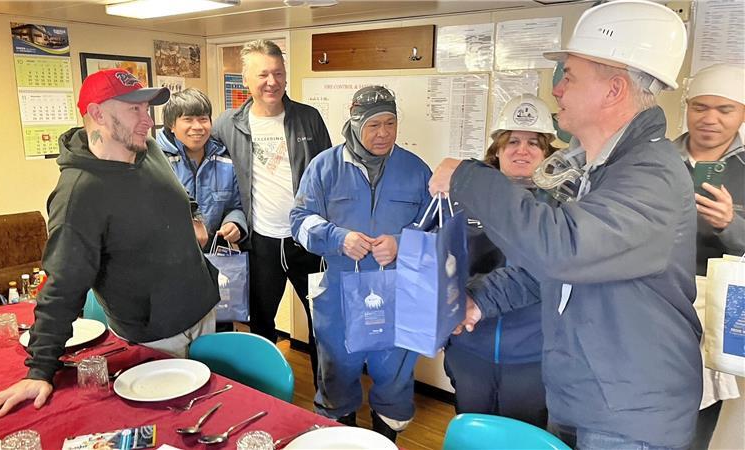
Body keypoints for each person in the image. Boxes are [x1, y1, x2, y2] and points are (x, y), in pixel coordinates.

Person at [429, 1, 703, 448]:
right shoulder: (601, 169)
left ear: (613, 90)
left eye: (569, 76)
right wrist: (480, 301)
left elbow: (563, 248)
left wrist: (466, 177)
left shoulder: (649, 173)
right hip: (583, 394)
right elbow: (552, 269)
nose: (557, 90)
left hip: (627, 416)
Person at [0, 69, 220, 418]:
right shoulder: (80, 193)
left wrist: (192, 218)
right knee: (177, 425)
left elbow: (178, 198)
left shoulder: (148, 151)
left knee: (216, 412)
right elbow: (63, 285)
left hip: (202, 311)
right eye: (134, 110)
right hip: (156, 336)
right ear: (97, 114)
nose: (147, 122)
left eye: (146, 109)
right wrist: (40, 370)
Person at [290, 86, 431, 442]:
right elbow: (299, 221)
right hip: (339, 295)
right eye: (373, 125)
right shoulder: (324, 167)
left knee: (395, 378)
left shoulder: (416, 170)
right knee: (336, 375)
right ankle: (341, 439)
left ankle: (386, 440)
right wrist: (338, 237)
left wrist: (402, 244)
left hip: (397, 295)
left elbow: (435, 229)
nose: (383, 133)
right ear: (354, 124)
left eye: (390, 123)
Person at [212, 39, 331, 385]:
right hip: (260, 242)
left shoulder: (308, 119)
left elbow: (329, 175)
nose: (272, 81)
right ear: (246, 80)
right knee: (260, 324)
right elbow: (214, 177)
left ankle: (331, 401)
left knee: (322, 323)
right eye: (262, 74)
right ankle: (260, 391)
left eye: (278, 73)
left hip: (306, 242)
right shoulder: (227, 124)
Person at [444, 94, 557, 428]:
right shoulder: (464, 197)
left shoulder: (559, 209)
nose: (522, 150)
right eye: (513, 142)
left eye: (534, 143)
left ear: (547, 153)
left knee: (521, 439)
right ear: (497, 150)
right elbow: (440, 263)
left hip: (531, 358)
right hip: (469, 351)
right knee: (472, 433)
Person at [672, 63, 744, 450]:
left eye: (725, 109)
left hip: (717, 310)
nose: (710, 119)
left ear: (743, 113)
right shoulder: (656, 159)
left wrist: (730, 224)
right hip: (654, 300)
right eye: (700, 107)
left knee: (697, 419)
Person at [157, 88, 247, 248]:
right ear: (172, 125)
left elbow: (235, 206)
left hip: (214, 253)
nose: (197, 126)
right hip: (167, 253)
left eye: (203, 119)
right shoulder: (157, 162)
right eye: (188, 119)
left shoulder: (225, 162)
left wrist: (234, 222)